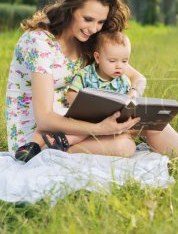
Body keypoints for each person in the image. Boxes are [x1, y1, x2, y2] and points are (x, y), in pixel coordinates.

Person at [5, 0, 178, 163]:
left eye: (100, 22)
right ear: (69, 9)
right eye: (88, 19)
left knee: (153, 122)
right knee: (124, 146)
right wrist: (100, 129)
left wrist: (132, 95)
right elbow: (45, 119)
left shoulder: (87, 42)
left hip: (81, 125)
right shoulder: (39, 42)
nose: (93, 28)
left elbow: (138, 78)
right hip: (38, 138)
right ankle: (55, 152)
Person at [15, 30, 134, 162]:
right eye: (112, 61)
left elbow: (125, 103)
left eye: (125, 61)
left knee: (87, 133)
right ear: (98, 58)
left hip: (106, 120)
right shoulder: (86, 74)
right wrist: (88, 106)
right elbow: (71, 94)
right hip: (84, 114)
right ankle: (33, 146)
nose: (119, 66)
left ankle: (61, 142)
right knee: (53, 122)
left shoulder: (124, 82)